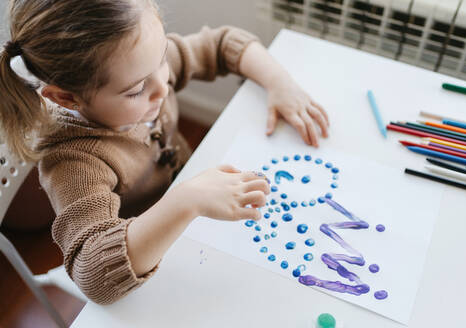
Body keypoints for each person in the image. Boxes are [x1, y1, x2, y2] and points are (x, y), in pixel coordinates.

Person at [0, 0, 329, 304]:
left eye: (161, 59)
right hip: (158, 261)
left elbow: (223, 43)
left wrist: (280, 83)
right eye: (137, 90)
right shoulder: (72, 161)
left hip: (199, 225)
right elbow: (95, 274)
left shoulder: (136, 63)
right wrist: (185, 201)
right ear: (66, 99)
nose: (163, 83)